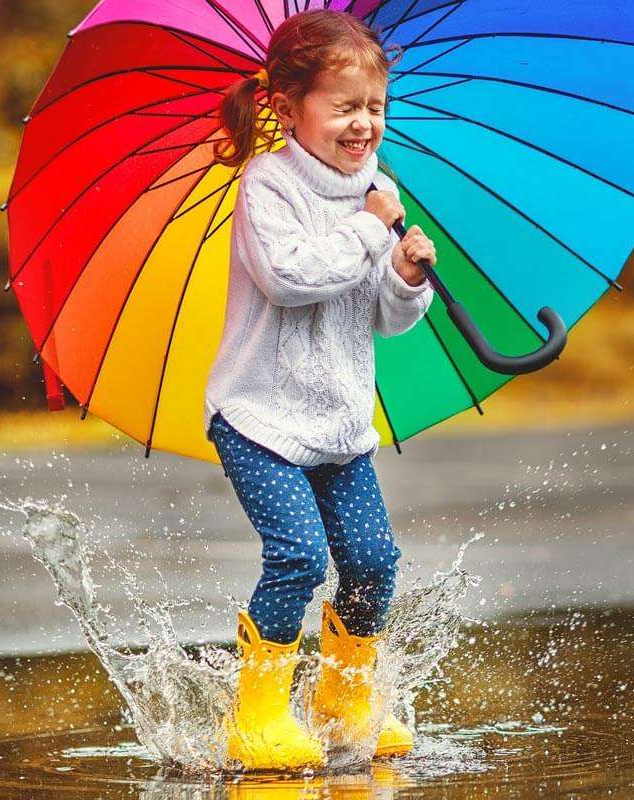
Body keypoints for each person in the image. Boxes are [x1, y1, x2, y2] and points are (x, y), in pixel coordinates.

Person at [203, 9, 437, 771]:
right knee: (299, 557)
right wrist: (372, 231)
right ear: (287, 106)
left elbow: (380, 315)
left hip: (337, 419)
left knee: (372, 560)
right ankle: (258, 715)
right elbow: (294, 278)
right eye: (344, 107)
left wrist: (403, 279)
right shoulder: (267, 186)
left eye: (374, 106)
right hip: (259, 418)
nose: (363, 123)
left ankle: (343, 702)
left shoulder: (379, 188)